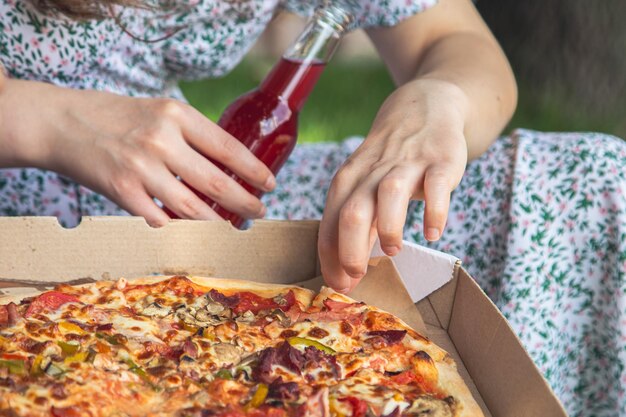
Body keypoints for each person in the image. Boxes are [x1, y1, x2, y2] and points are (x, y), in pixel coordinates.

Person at [0, 0, 623, 415]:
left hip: (194, 190)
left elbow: (452, 38)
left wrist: (443, 98)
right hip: (20, 201)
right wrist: (51, 120)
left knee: (595, 179)